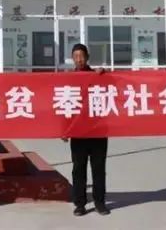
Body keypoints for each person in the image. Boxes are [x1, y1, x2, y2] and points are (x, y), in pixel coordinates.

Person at [63, 43, 110, 216]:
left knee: (98, 169)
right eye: (75, 57)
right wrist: (64, 129)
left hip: (98, 131)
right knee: (78, 169)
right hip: (78, 132)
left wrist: (104, 73)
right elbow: (64, 106)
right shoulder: (69, 79)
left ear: (87, 57)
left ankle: (100, 203)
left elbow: (113, 87)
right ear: (72, 59)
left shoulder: (97, 75)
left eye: (81, 56)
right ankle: (80, 204)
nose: (79, 59)